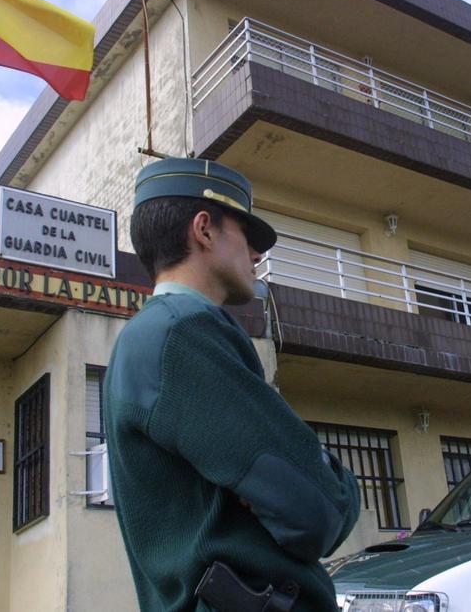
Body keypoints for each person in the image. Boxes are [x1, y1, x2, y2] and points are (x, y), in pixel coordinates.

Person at [103, 157, 361, 612]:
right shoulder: (185, 334)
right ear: (204, 229)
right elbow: (319, 512)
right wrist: (336, 483)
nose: (258, 255)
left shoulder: (150, 336)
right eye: (246, 234)